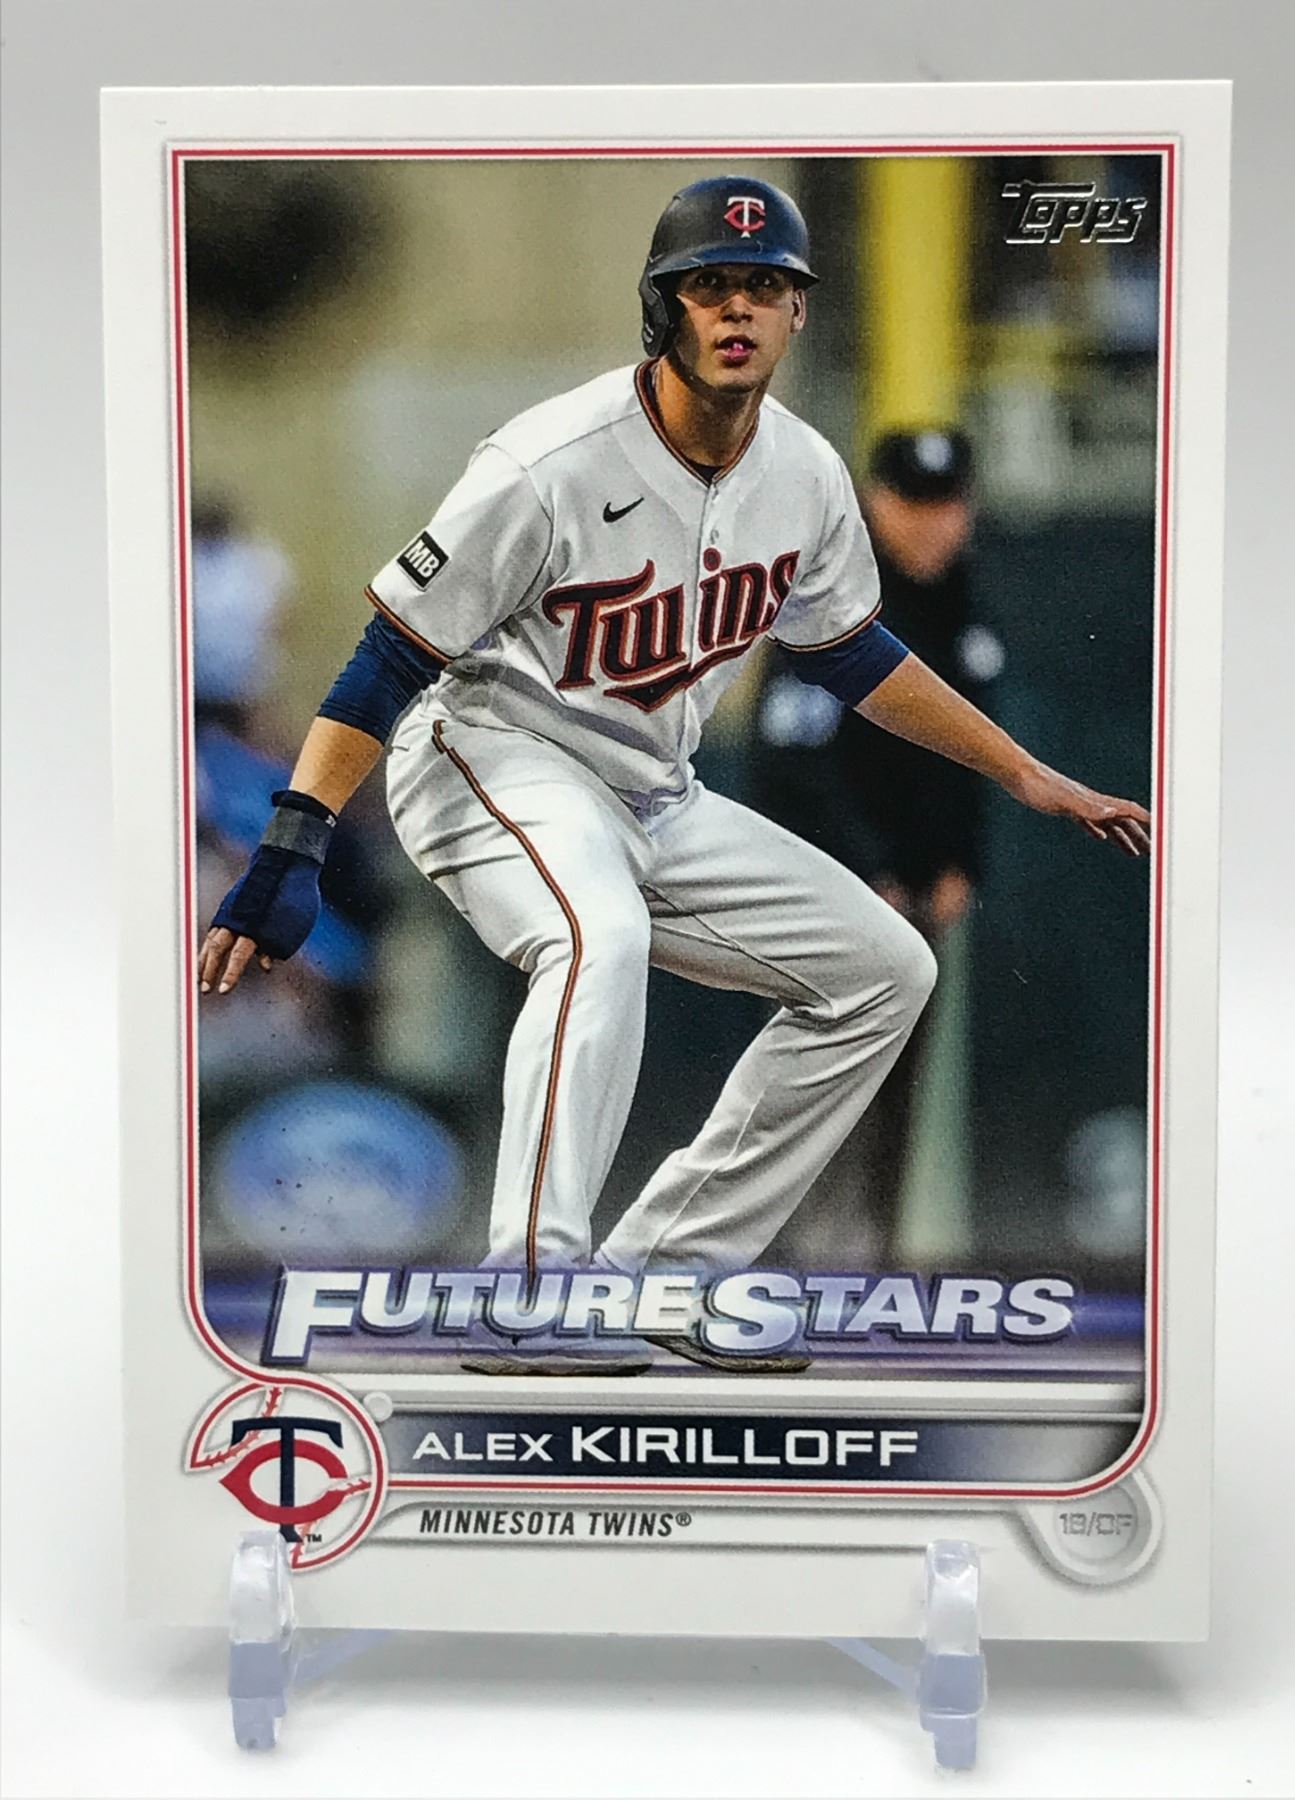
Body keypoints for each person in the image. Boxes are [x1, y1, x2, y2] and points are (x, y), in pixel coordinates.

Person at [197, 177, 1150, 1376]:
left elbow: (853, 653)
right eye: (711, 285)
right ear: (665, 309)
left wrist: (1023, 773)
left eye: (764, 286)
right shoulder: (549, 458)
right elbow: (391, 652)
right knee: (597, 935)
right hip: (491, 755)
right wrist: (294, 837)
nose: (738, 308)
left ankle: (666, 1271)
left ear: (798, 313)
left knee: (883, 970)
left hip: (652, 788)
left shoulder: (804, 474)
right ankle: (530, 1291)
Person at [752, 428, 1000, 1266]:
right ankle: (799, 1269)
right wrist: (867, 870)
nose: (933, 524)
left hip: (918, 898)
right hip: (828, 899)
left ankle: (868, 1270)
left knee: (897, 1093)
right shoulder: (830, 597)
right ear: (874, 503)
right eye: (913, 505)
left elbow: (974, 753)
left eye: (947, 505)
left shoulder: (962, 601)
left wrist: (961, 859)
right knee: (818, 1086)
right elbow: (791, 760)